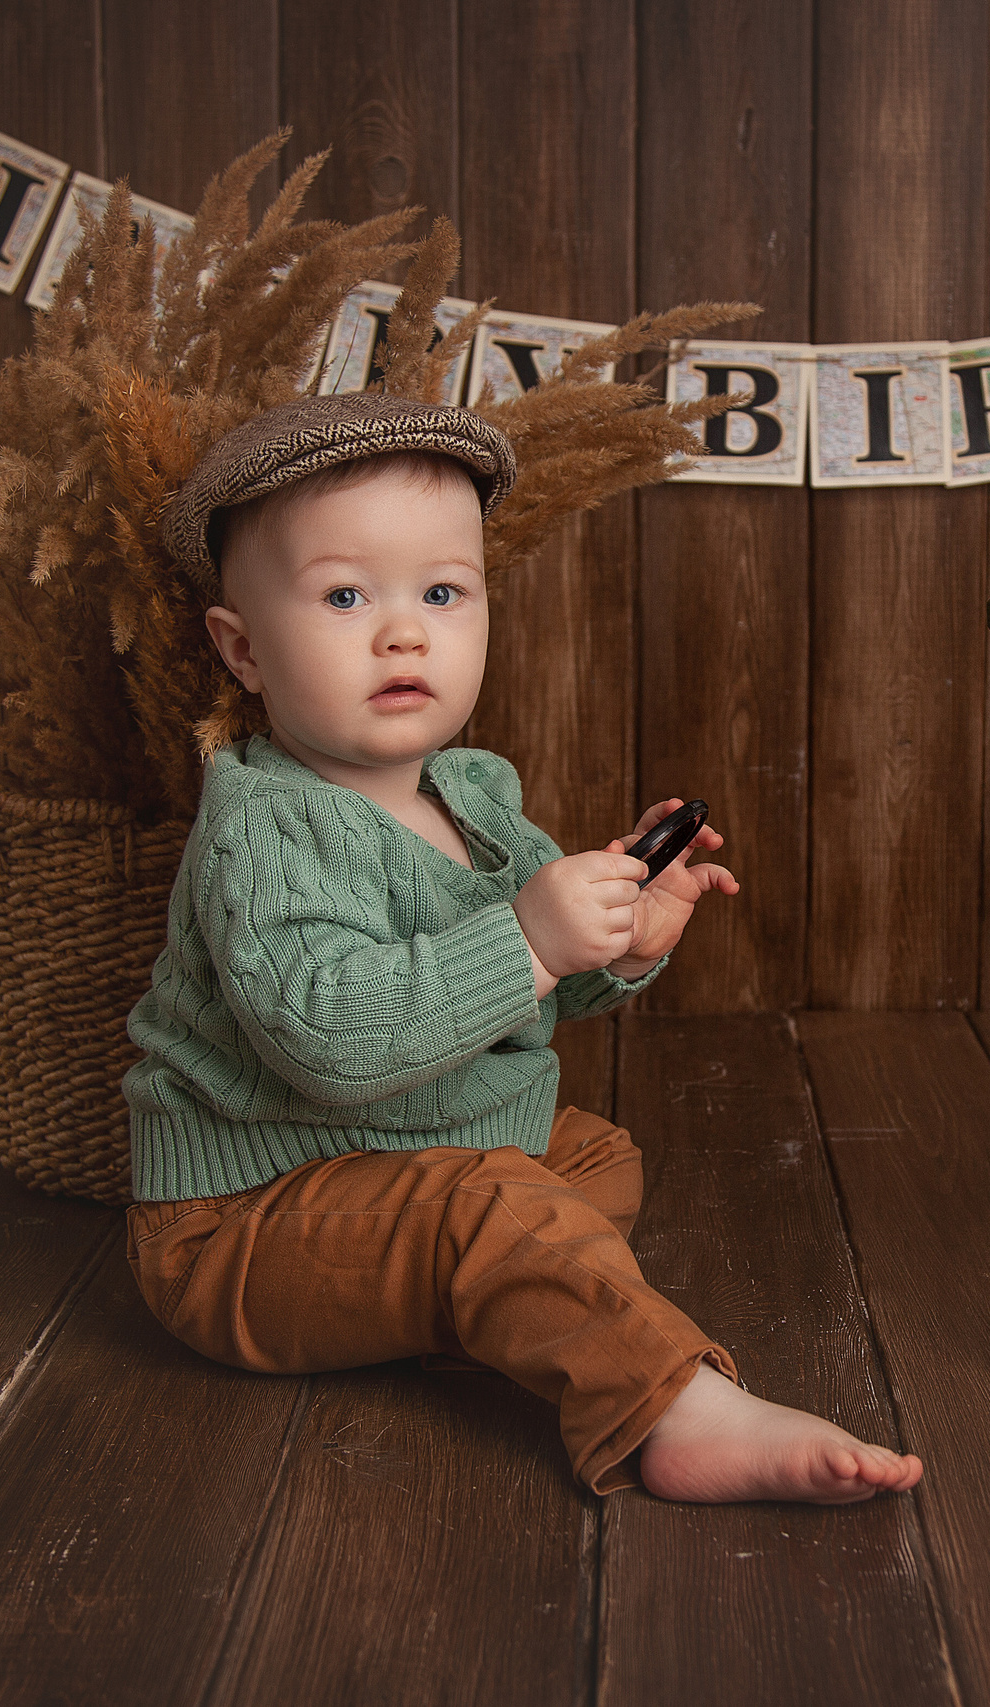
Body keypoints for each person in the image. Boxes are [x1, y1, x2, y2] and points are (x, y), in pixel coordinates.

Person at [122, 392, 923, 1504]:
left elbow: (533, 995)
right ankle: (676, 1409)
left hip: (403, 1163)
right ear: (243, 648)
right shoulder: (261, 826)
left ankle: (475, 1294)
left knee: (594, 1159)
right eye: (344, 595)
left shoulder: (475, 792)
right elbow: (329, 1045)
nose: (403, 632)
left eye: (442, 593)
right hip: (249, 1219)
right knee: (502, 1206)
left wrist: (622, 940)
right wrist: (529, 938)